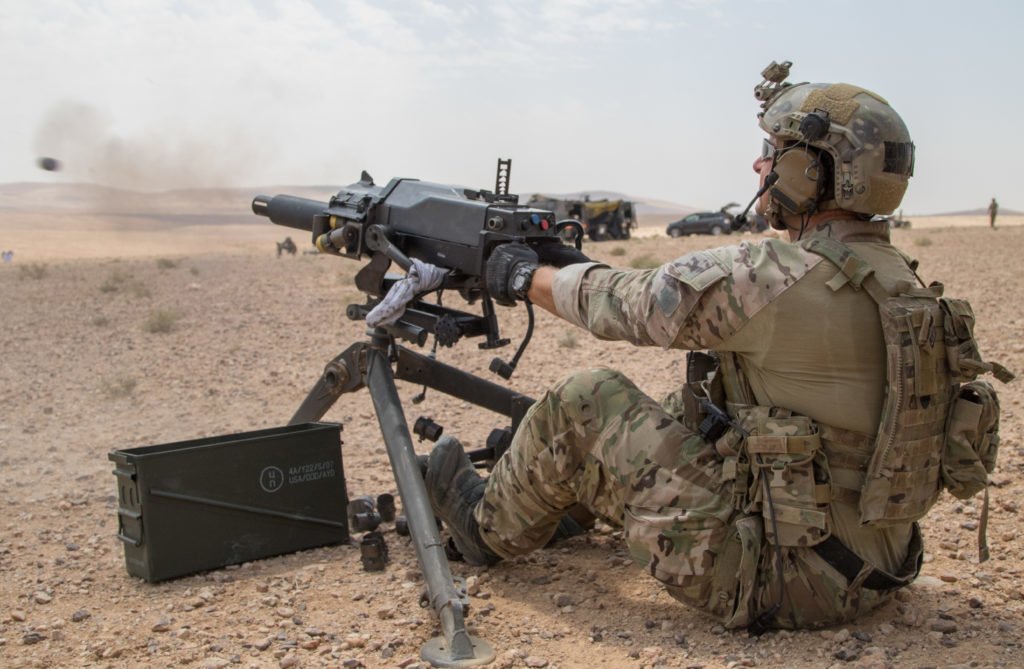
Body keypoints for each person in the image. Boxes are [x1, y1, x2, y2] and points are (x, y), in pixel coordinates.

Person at [423, 61, 1013, 631]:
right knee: (689, 410)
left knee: (586, 398)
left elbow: (627, 305)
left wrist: (523, 275)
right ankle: (562, 504)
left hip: (785, 583)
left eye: (775, 155)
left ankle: (483, 528)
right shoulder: (903, 281)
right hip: (875, 570)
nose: (761, 166)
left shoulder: (776, 275)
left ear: (812, 171)